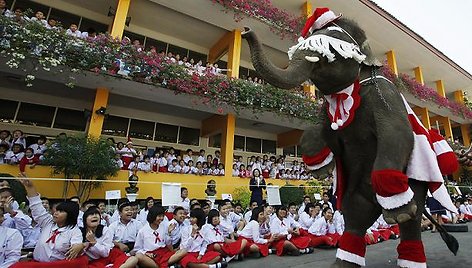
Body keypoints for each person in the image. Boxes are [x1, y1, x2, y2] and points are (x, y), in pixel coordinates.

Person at [13, 178, 88, 267]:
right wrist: (30, 187)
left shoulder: (74, 231)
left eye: (61, 211)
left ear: (70, 215)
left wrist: (81, 246)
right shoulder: (48, 222)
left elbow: (75, 248)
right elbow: (37, 208)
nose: (56, 213)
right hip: (37, 264)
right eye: (56, 210)